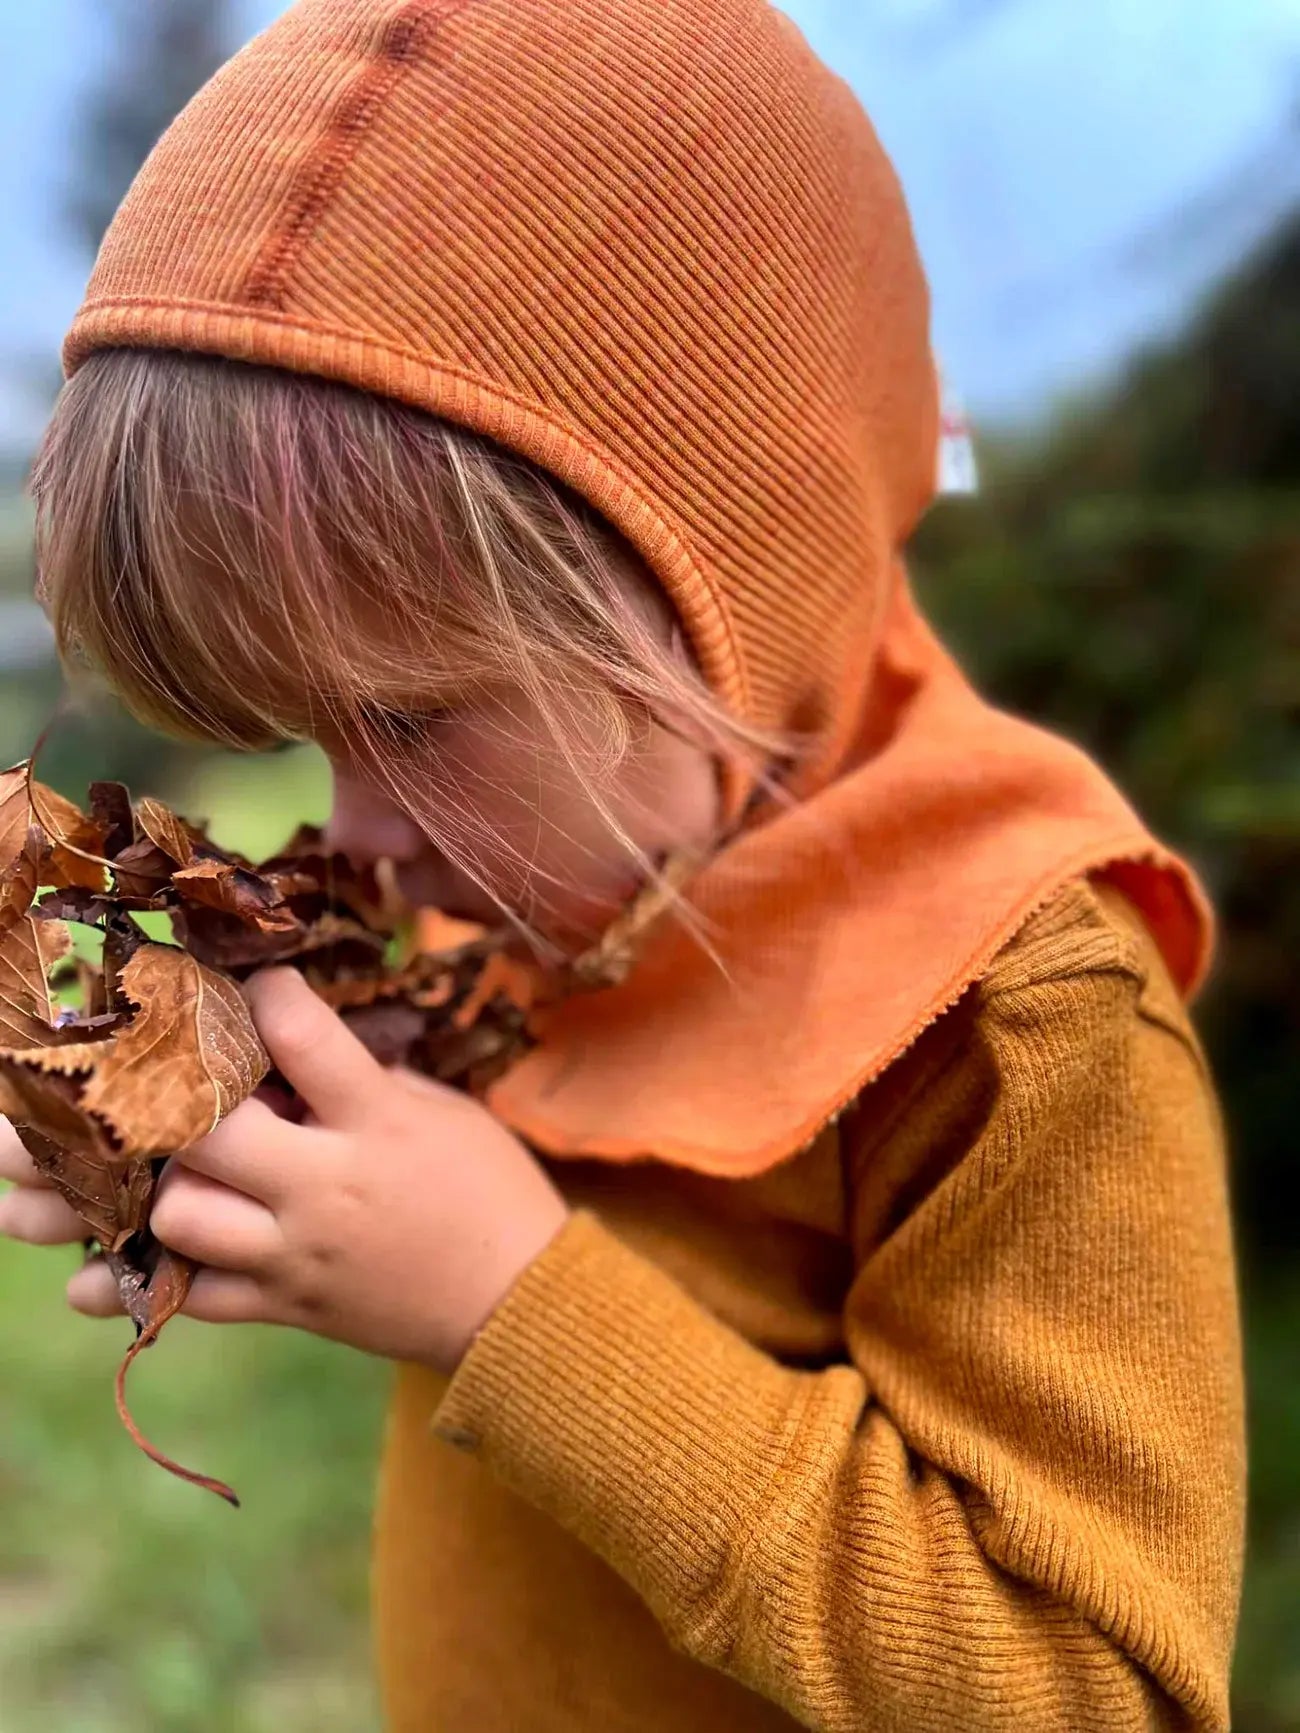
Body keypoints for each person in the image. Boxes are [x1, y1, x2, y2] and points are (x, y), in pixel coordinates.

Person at [0, 1, 1245, 1727]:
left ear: (727, 585)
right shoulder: (557, 874)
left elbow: (1094, 1689)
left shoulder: (1020, 1015)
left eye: (415, 722)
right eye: (309, 734)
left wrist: (511, 1303)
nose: (358, 831)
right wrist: (232, 1142)